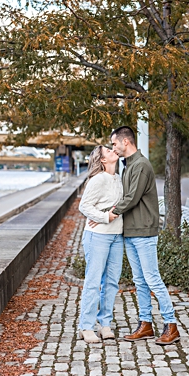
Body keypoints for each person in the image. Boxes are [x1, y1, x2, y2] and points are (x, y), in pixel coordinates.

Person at [107, 126, 180, 345]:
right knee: (140, 281)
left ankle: (171, 325)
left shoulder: (141, 165)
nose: (113, 148)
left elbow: (131, 197)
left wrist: (111, 213)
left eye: (114, 144)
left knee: (152, 279)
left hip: (144, 231)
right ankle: (145, 324)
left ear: (125, 142)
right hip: (131, 231)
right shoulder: (129, 166)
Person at [76, 145, 125, 344]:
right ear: (103, 160)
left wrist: (109, 214)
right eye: (109, 151)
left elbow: (121, 205)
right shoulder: (97, 180)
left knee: (111, 282)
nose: (114, 151)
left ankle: (105, 324)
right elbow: (84, 206)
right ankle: (86, 327)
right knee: (93, 282)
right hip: (97, 237)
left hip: (116, 237)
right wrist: (105, 216)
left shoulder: (119, 179)